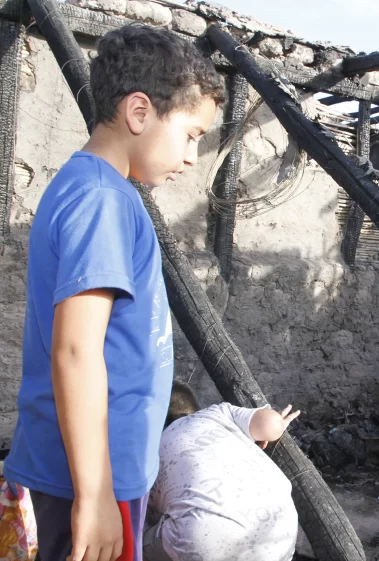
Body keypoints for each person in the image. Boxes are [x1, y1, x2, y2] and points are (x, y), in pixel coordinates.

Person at [3, 24, 226, 561]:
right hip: (80, 481)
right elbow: (76, 351)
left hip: (94, 472)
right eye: (192, 134)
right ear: (140, 112)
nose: (194, 156)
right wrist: (96, 493)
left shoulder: (99, 192)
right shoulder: (100, 201)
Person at [143, 381, 300, 561]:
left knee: (142, 539)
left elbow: (146, 512)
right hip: (280, 529)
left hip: (203, 539)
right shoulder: (217, 414)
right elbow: (268, 423)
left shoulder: (152, 454)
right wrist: (278, 423)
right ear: (196, 408)